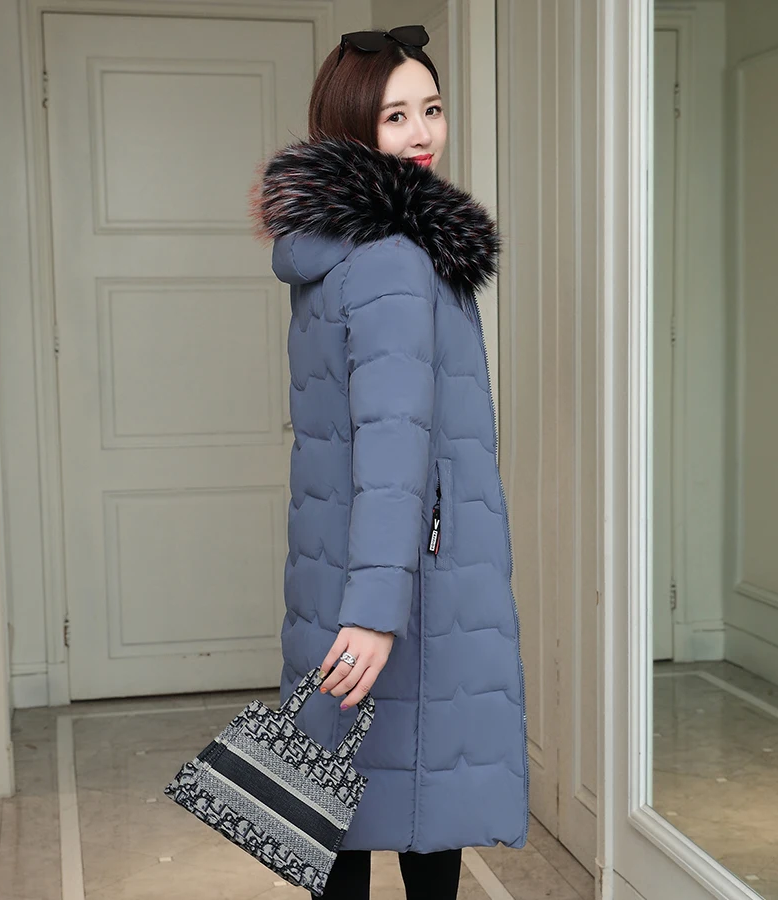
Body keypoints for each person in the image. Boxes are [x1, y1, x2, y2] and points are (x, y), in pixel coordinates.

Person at [252, 24, 528, 900]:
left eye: (431, 109)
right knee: (420, 804)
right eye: (395, 116)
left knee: (334, 798)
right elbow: (394, 442)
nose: (422, 133)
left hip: (339, 564)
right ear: (353, 127)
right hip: (407, 585)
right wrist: (376, 613)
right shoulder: (396, 260)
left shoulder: (330, 249)